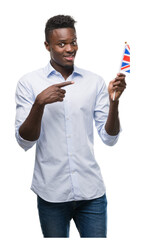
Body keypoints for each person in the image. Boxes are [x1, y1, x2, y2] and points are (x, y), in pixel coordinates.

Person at [15, 15, 126, 238]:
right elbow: (24, 140)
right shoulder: (29, 83)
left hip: (91, 193)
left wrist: (114, 102)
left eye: (73, 42)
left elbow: (109, 138)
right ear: (47, 46)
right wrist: (39, 103)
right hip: (51, 194)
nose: (70, 49)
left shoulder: (94, 81)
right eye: (61, 43)